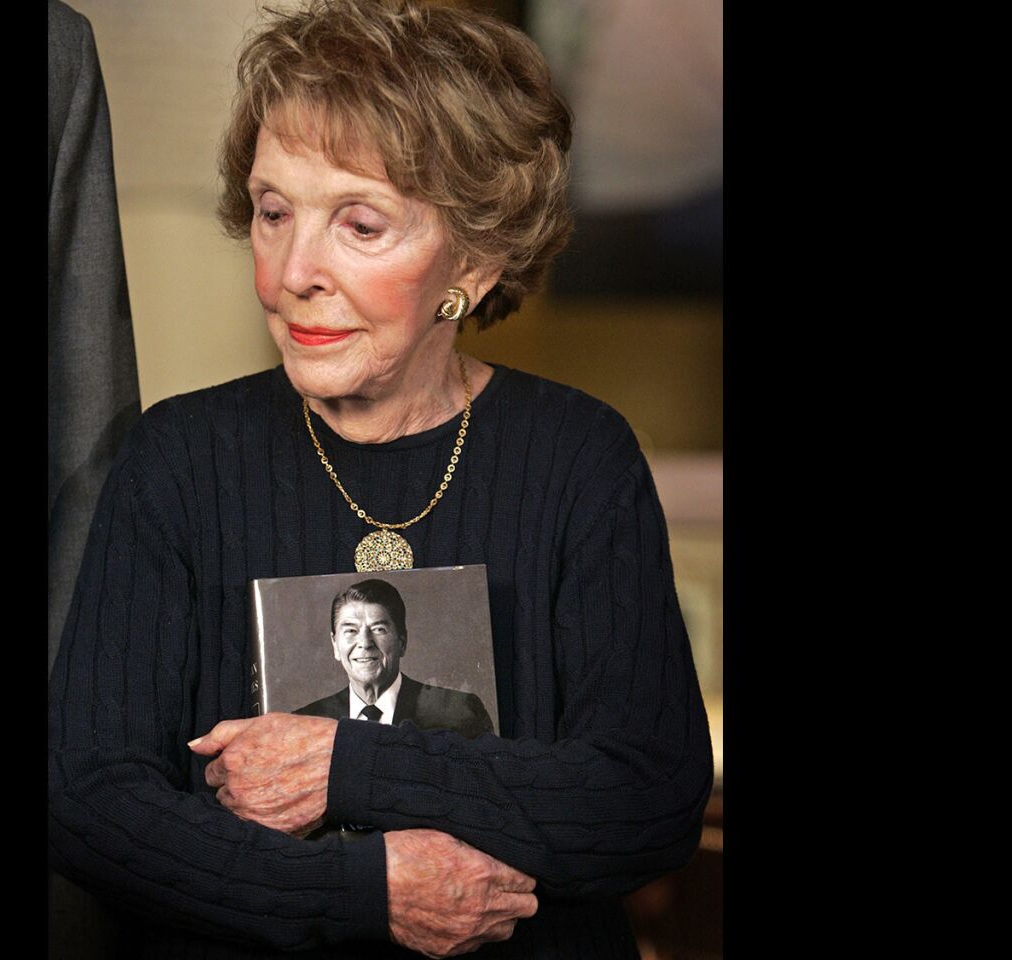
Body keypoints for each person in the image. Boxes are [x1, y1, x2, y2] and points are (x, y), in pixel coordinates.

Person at [47, 2, 714, 957]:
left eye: (360, 224)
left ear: (473, 263)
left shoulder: (580, 457)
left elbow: (647, 798)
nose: (294, 271)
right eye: (274, 212)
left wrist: (349, 767)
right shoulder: (179, 457)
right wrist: (362, 889)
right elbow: (90, 805)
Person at [293, 579, 494, 738]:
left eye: (378, 629)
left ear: (402, 642)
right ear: (335, 644)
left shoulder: (460, 713)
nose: (364, 642)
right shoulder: (304, 723)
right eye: (351, 630)